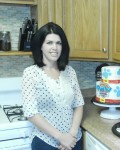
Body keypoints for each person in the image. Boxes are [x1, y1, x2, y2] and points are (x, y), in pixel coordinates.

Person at [22, 22, 84, 150]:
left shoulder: (70, 71)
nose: (54, 47)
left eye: (58, 43)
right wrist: (61, 137)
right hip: (45, 143)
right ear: (40, 46)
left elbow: (78, 105)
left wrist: (71, 135)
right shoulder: (31, 73)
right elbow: (31, 113)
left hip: (74, 141)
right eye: (49, 43)